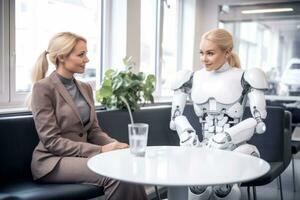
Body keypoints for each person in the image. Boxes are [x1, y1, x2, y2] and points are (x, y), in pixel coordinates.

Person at [29, 32, 147, 200]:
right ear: (62, 57)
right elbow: (51, 141)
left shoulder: (85, 88)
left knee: (129, 170)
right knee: (116, 174)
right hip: (53, 161)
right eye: (81, 54)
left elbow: (93, 131)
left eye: (86, 54)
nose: (87, 59)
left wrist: (114, 145)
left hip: (79, 157)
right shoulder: (43, 88)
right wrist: (100, 150)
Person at [169, 28, 268, 200]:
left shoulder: (245, 77)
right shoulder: (192, 78)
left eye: (210, 53)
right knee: (196, 187)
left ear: (227, 51)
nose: (203, 59)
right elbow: (175, 118)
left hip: (237, 149)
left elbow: (258, 122)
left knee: (223, 188)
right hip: (204, 149)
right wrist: (186, 132)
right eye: (201, 53)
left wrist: (228, 135)